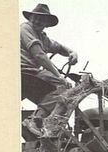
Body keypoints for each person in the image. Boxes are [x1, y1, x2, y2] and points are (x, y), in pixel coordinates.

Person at [20, 4, 78, 132]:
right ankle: (35, 120)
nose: (37, 21)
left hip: (31, 75)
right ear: (30, 18)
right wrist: (59, 77)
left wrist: (72, 52)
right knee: (65, 88)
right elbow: (40, 55)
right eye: (35, 17)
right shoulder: (25, 28)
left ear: (47, 23)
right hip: (24, 72)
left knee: (54, 95)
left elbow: (58, 47)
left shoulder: (41, 36)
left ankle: (39, 121)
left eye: (42, 19)